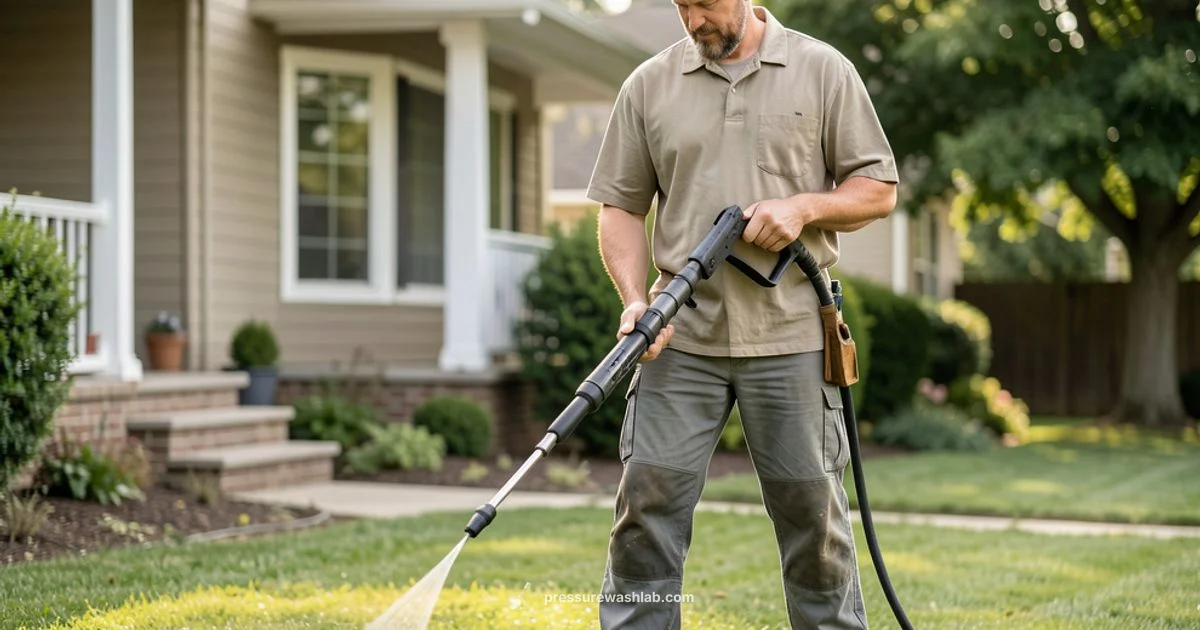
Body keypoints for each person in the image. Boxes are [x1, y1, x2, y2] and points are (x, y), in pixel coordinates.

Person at [586, 1, 899, 628]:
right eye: (681, 6)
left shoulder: (821, 70)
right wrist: (634, 302)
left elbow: (878, 188)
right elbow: (619, 206)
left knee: (816, 522)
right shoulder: (648, 84)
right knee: (646, 509)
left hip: (791, 337)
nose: (693, 20)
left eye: (705, 3)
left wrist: (803, 209)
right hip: (680, 338)